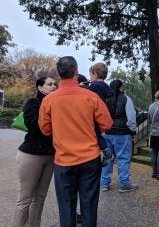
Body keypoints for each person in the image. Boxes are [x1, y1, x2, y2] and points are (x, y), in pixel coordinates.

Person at [38, 56, 113, 227]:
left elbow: (45, 129)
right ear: (76, 71)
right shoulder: (91, 96)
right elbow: (107, 124)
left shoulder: (48, 100)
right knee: (89, 205)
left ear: (58, 73)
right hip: (89, 158)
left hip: (64, 160)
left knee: (66, 207)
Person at [13, 76, 57, 227]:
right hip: (31, 155)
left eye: (54, 84)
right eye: (49, 84)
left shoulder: (57, 103)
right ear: (40, 88)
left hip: (50, 155)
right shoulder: (33, 103)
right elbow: (32, 124)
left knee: (40, 197)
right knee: (25, 197)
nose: (53, 86)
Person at [100, 79, 139, 192]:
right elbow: (131, 117)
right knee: (123, 158)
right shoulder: (126, 99)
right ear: (120, 88)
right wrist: (133, 132)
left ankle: (104, 184)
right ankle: (124, 184)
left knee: (108, 157)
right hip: (122, 132)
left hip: (107, 132)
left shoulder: (106, 99)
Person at [88, 63, 114, 166]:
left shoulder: (94, 85)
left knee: (95, 134)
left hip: (94, 114)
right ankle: (106, 151)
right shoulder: (106, 86)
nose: (90, 78)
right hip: (102, 114)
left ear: (95, 74)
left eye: (90, 75)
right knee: (98, 133)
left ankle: (107, 152)